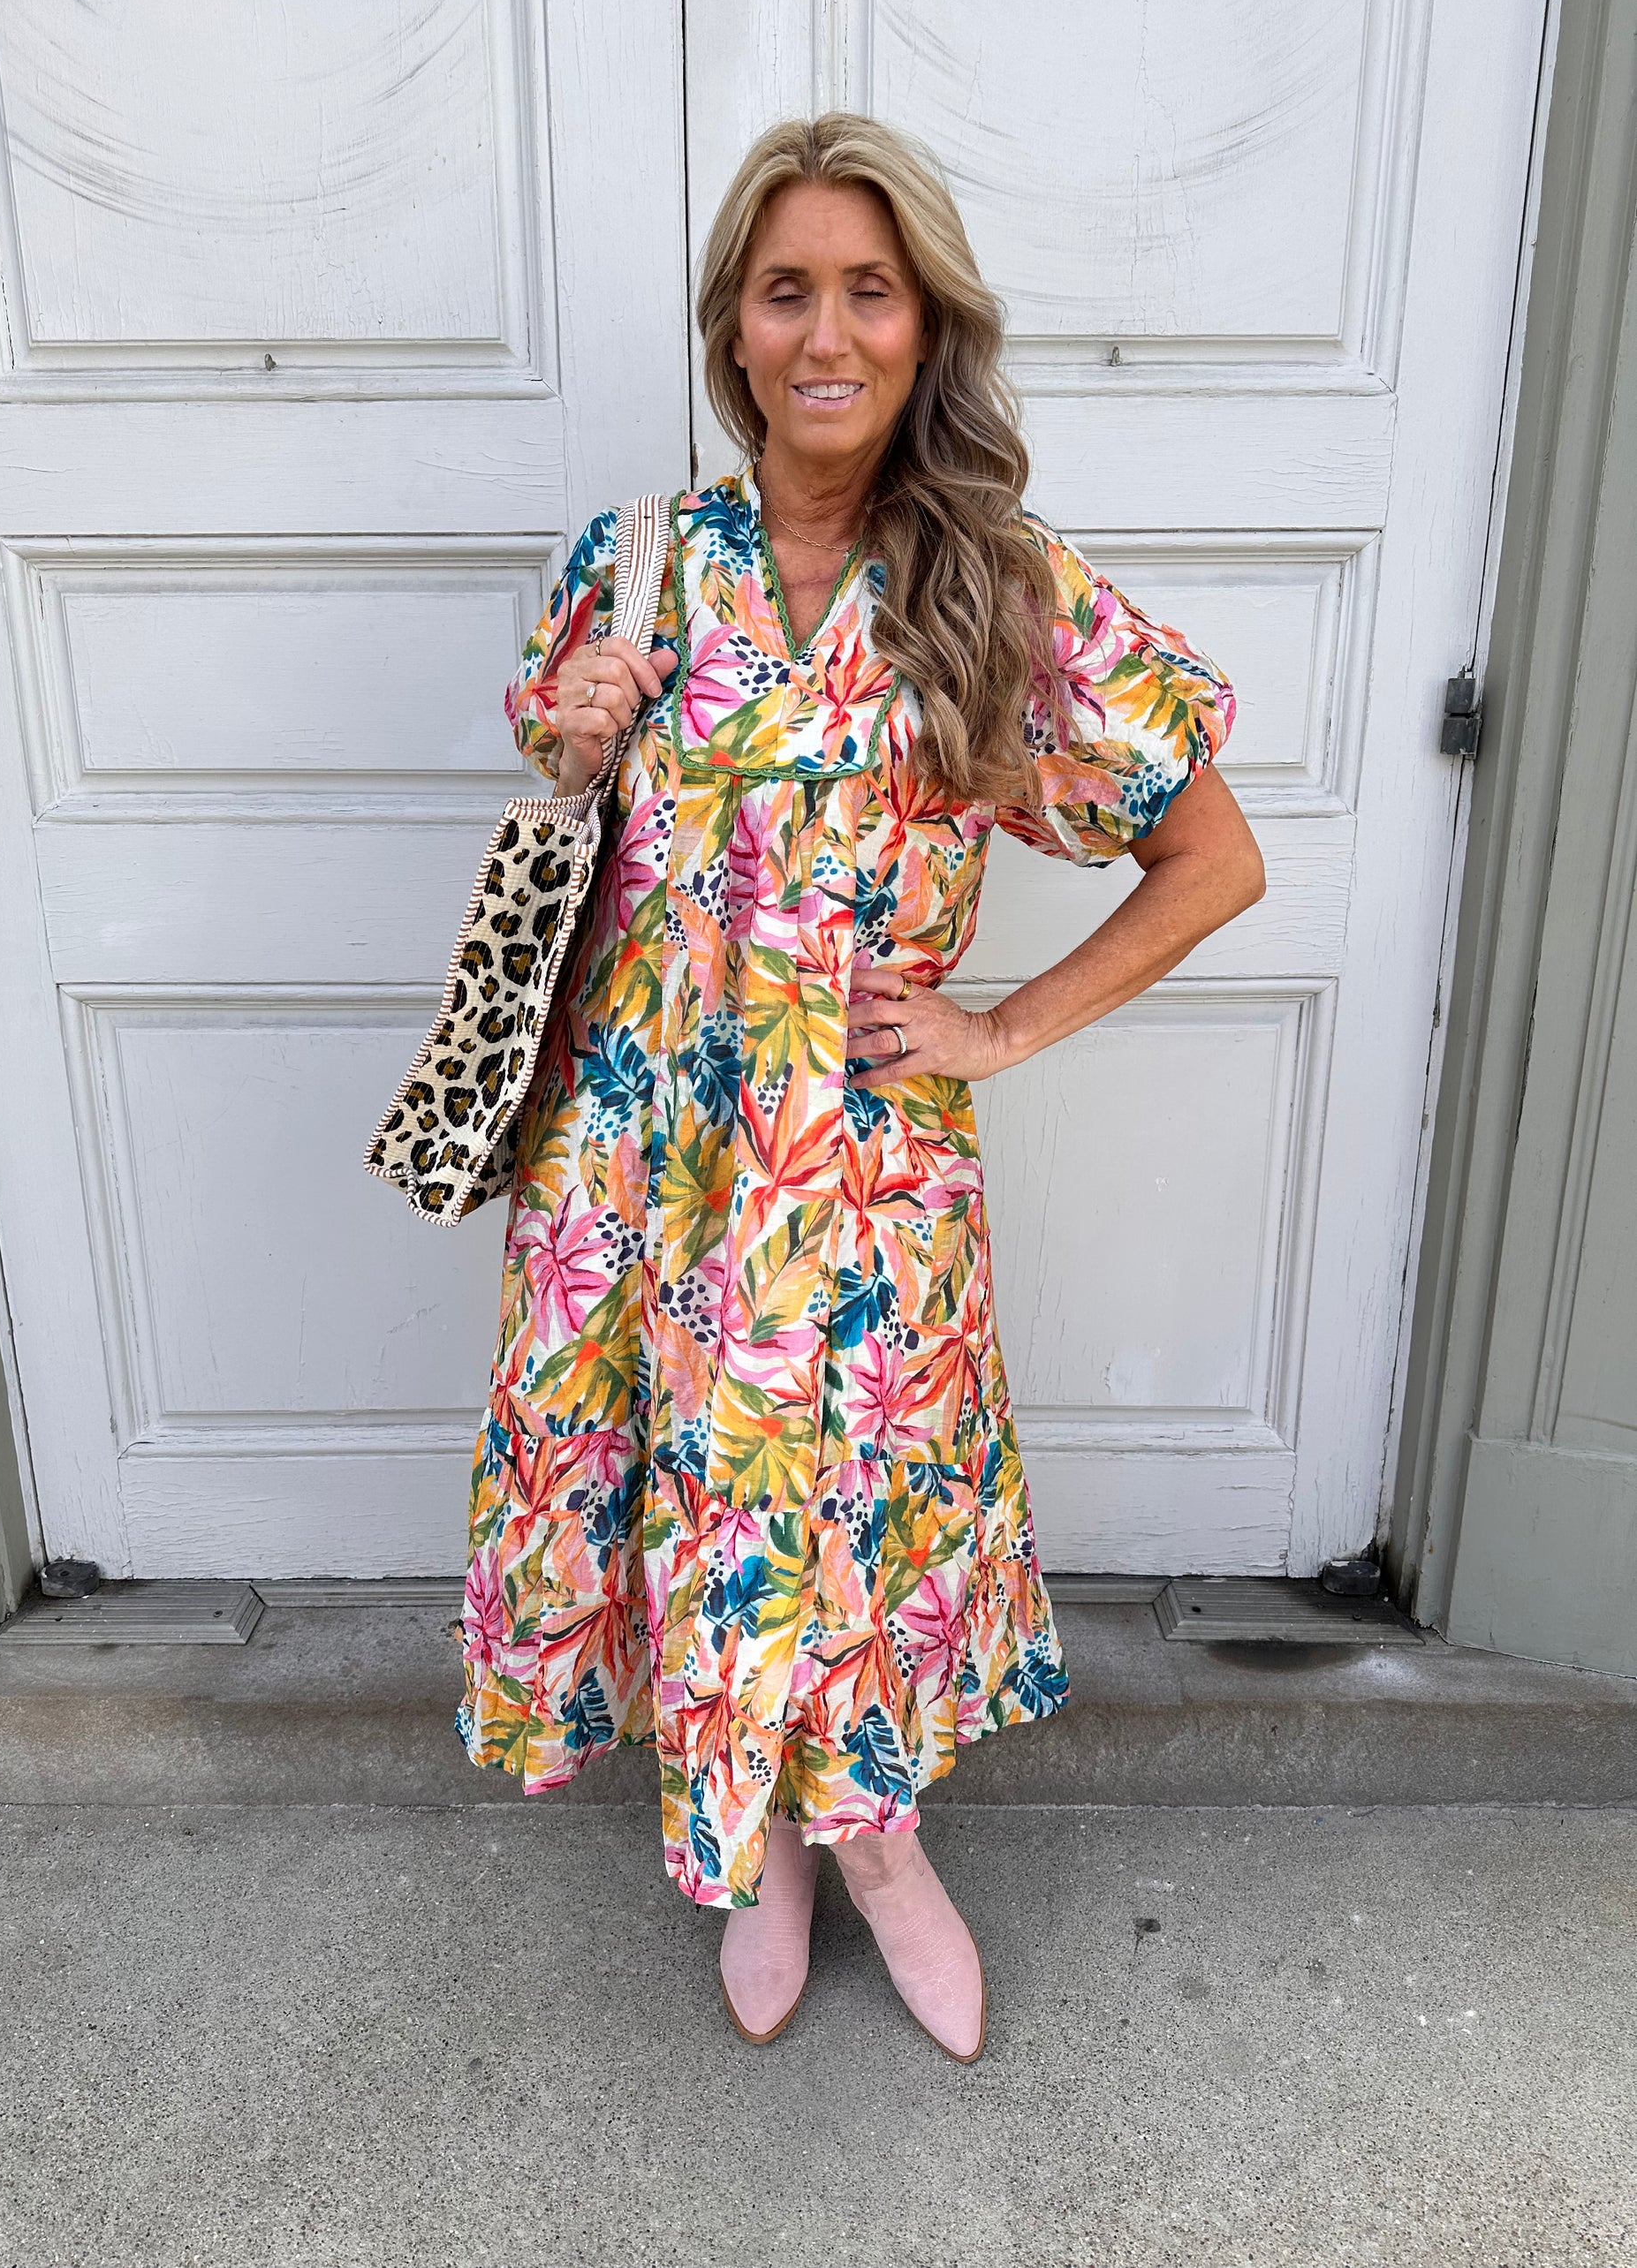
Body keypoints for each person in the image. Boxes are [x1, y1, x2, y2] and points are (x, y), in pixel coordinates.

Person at [451, 113, 1263, 2064]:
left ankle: (877, 1849)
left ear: (924, 328)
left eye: (868, 292)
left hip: (857, 1150)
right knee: (698, 1498)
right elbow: (582, 824)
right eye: (785, 290)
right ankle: (767, 1858)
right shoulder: (635, 564)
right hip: (643, 1150)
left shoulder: (997, 582)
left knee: (847, 1512)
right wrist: (579, 745)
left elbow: (1213, 857)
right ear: (733, 328)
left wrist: (999, 1027)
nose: (825, 333)